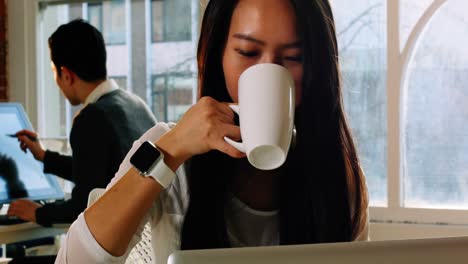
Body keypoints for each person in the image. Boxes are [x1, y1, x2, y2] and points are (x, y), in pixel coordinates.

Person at [56, 0, 369, 263]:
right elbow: (73, 260)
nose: (270, 70)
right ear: (215, 54)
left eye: (294, 57)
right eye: (248, 52)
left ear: (317, 67)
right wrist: (171, 150)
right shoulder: (168, 152)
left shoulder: (338, 175)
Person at [7, 19, 156, 227]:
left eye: (54, 71)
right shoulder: (136, 105)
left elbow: (83, 207)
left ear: (66, 75)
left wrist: (38, 212)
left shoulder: (92, 118)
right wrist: (43, 156)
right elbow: (96, 172)